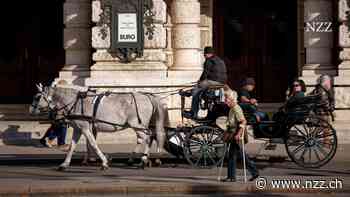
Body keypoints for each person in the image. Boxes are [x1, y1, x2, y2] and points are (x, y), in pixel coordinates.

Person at [221, 88, 259, 182]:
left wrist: (238, 134)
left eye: (226, 99)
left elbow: (243, 121)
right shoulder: (231, 108)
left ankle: (252, 172)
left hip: (236, 133)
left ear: (232, 100)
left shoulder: (236, 108)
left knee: (238, 155)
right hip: (233, 133)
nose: (225, 102)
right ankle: (232, 176)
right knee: (233, 155)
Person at [183, 46, 227, 119]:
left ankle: (193, 112)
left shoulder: (209, 60)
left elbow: (205, 73)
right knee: (198, 88)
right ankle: (190, 93)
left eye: (205, 54)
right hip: (222, 82)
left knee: (196, 92)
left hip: (213, 81)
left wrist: (200, 81)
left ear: (208, 54)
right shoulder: (220, 60)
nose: (204, 56)